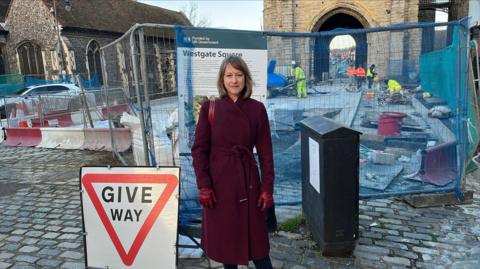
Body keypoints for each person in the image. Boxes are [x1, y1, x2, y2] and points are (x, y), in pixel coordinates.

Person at [192, 55, 275, 269]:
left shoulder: (257, 109)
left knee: (258, 247)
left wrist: (267, 188)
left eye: (238, 74)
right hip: (220, 184)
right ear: (222, 79)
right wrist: (204, 185)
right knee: (227, 244)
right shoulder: (209, 108)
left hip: (249, 181)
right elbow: (199, 150)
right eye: (229, 75)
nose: (234, 80)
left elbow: (266, 153)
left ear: (246, 78)